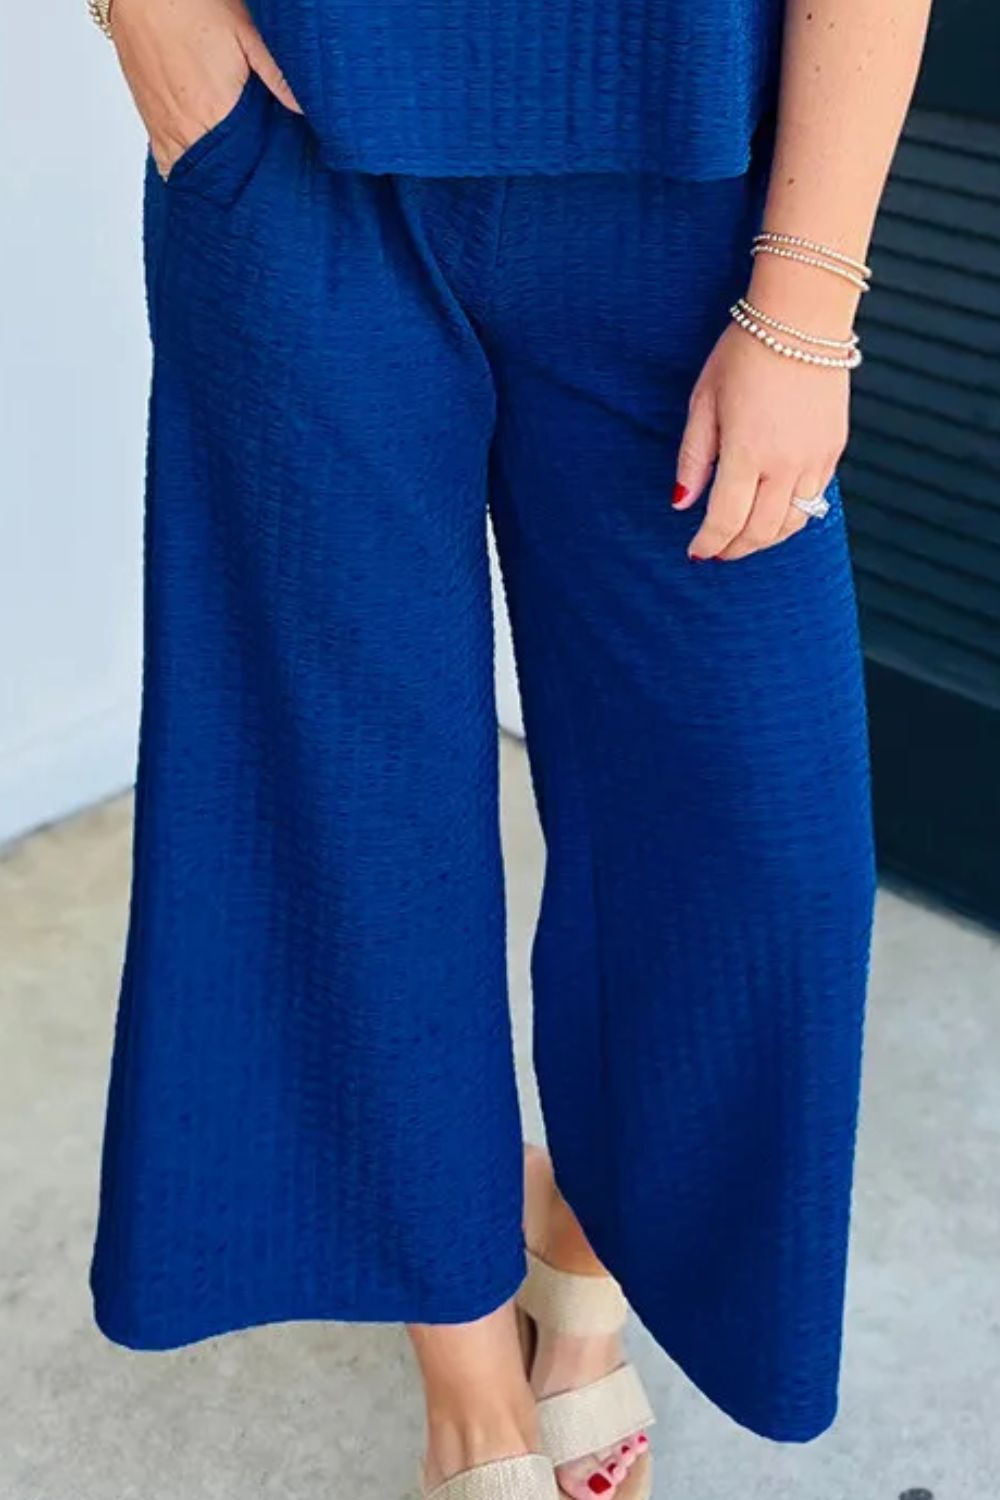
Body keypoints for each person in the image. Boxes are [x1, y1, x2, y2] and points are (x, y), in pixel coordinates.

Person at [88, 0, 932, 1496]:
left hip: (696, 188)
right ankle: (472, 1381)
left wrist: (806, 295)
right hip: (296, 149)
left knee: (761, 850)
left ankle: (578, 1247)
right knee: (350, 820)